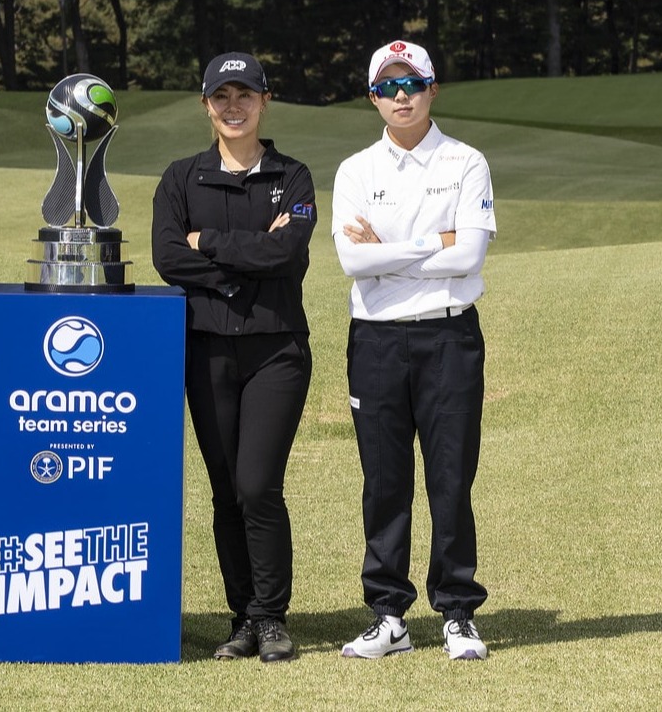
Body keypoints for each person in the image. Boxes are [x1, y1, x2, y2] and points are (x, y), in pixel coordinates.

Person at [332, 40, 496, 662]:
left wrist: (391, 252)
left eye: (412, 85)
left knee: (451, 476)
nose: (400, 97)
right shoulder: (355, 171)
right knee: (384, 479)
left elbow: (469, 257)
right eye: (387, 87)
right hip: (374, 340)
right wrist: (435, 241)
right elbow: (353, 260)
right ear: (373, 96)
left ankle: (457, 611)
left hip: (449, 336)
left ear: (432, 89)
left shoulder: (465, 162)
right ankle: (388, 615)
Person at [150, 52, 317, 664]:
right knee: (226, 491)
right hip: (205, 349)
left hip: (276, 350)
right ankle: (243, 616)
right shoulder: (180, 178)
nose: (233, 106)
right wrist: (245, 261)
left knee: (258, 486)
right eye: (221, 96)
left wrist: (211, 245)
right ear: (205, 105)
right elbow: (169, 257)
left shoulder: (293, 176)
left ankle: (272, 616)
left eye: (245, 94)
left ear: (265, 101)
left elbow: (289, 255)